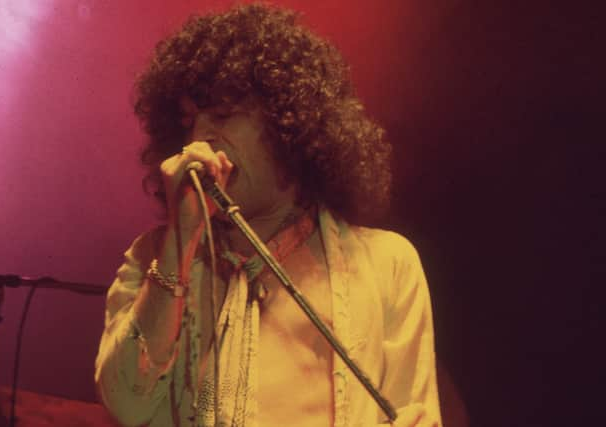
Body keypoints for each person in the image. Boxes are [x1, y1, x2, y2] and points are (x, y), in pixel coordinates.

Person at [95, 3, 442, 426]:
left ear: (288, 127)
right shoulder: (151, 256)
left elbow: (417, 413)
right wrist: (178, 247)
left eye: (222, 115)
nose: (198, 137)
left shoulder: (387, 264)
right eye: (188, 120)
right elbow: (125, 404)